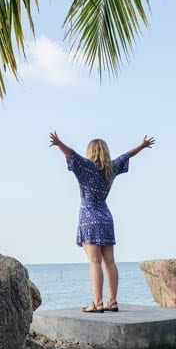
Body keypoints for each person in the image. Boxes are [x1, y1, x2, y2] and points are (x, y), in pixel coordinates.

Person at [49, 131, 155, 313]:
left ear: (91, 151)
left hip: (89, 217)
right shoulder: (111, 168)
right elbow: (127, 155)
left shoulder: (86, 167)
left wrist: (59, 143)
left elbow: (71, 154)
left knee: (95, 262)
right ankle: (112, 301)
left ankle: (97, 303)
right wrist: (142, 146)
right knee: (110, 261)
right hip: (106, 217)